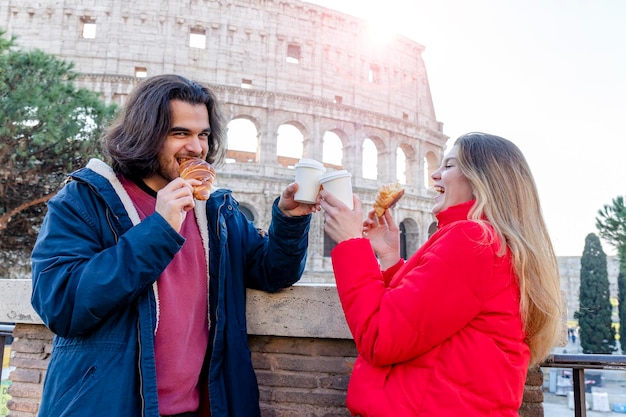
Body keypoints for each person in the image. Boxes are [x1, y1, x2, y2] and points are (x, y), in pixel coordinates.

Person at [30, 74, 318, 417]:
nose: (196, 148)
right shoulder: (85, 200)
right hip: (107, 405)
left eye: (204, 135)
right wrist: (159, 228)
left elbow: (274, 272)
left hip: (197, 408)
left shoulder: (217, 211)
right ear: (145, 134)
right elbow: (61, 303)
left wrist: (289, 219)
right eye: (180, 133)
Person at [320, 132, 562, 416]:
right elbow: (432, 316)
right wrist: (389, 260)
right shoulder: (490, 241)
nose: (434, 175)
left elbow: (381, 338)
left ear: (481, 180)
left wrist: (351, 244)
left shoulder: (473, 240)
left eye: (448, 166)